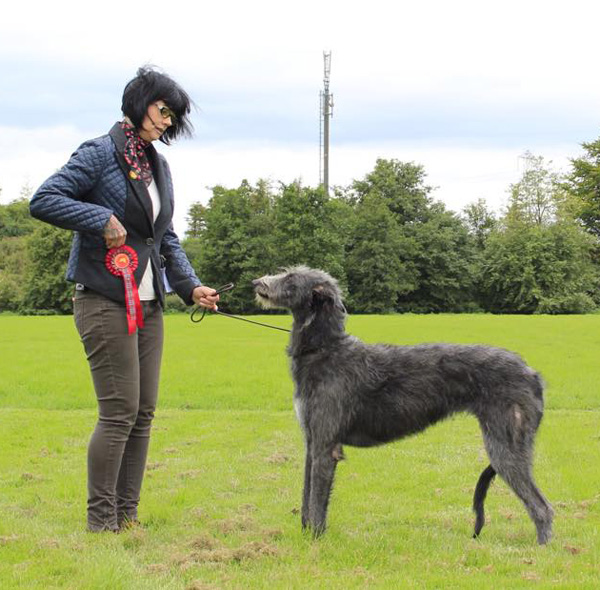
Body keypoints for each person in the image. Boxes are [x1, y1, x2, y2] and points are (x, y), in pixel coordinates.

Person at [30, 66, 219, 532]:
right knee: (119, 413)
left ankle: (127, 517)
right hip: (103, 300)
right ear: (139, 103)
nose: (167, 122)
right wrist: (99, 217)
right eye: (163, 110)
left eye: (173, 117)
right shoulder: (98, 154)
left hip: (151, 304)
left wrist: (190, 285)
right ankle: (101, 523)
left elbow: (165, 237)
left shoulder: (158, 164)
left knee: (144, 413)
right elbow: (44, 198)